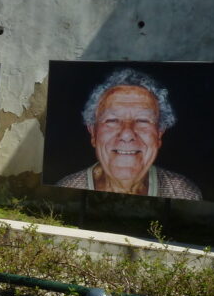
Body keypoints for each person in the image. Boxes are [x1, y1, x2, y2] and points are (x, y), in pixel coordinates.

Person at [55, 68, 202, 200]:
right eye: (112, 120)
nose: (127, 134)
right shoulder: (67, 187)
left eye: (143, 120)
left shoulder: (183, 192)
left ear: (159, 134)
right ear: (93, 132)